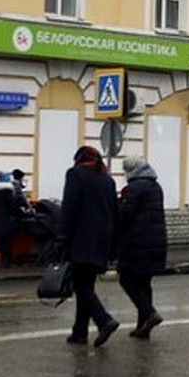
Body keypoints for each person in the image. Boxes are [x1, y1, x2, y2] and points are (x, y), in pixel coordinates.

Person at [59, 145, 120, 347]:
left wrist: (62, 236)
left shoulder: (76, 175)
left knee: (82, 287)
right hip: (102, 240)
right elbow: (114, 213)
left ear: (78, 159)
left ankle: (104, 320)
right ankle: (80, 332)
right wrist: (113, 246)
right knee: (86, 286)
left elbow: (70, 207)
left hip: (81, 239)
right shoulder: (107, 181)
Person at [117, 155, 167, 338]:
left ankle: (150, 313)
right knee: (144, 283)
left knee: (126, 280)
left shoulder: (134, 188)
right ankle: (143, 327)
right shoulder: (156, 186)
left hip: (137, 242)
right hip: (155, 242)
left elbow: (126, 215)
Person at [0, 172, 18, 269]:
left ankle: (3, 260)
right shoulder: (7, 192)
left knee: (0, 240)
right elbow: (12, 207)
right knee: (4, 241)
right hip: (5, 219)